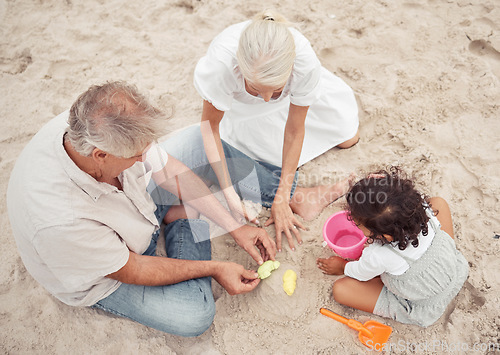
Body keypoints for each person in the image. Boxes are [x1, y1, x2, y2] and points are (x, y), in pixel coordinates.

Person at [7, 81, 281, 337]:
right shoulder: (60, 220)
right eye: (136, 155)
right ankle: (183, 218)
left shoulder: (95, 125)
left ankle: (285, 193)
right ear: (100, 155)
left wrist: (235, 228)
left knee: (198, 141)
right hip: (106, 271)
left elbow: (166, 168)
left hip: (135, 209)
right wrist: (215, 268)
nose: (143, 158)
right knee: (194, 316)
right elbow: (133, 268)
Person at [194, 10, 359, 251]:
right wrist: (230, 194)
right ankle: (299, 196)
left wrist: (280, 198)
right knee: (228, 152)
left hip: (291, 103)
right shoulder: (222, 65)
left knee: (348, 137)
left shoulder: (303, 60)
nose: (266, 98)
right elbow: (209, 130)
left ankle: (290, 195)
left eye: (275, 89)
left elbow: (294, 130)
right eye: (256, 88)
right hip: (243, 111)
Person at [316, 167, 469, 327]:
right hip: (454, 271)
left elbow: (361, 273)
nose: (356, 225)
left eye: (359, 224)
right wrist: (384, 184)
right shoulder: (422, 209)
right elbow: (394, 200)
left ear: (385, 236)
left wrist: (342, 266)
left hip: (423, 303)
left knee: (341, 290)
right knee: (438, 203)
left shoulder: (379, 255)